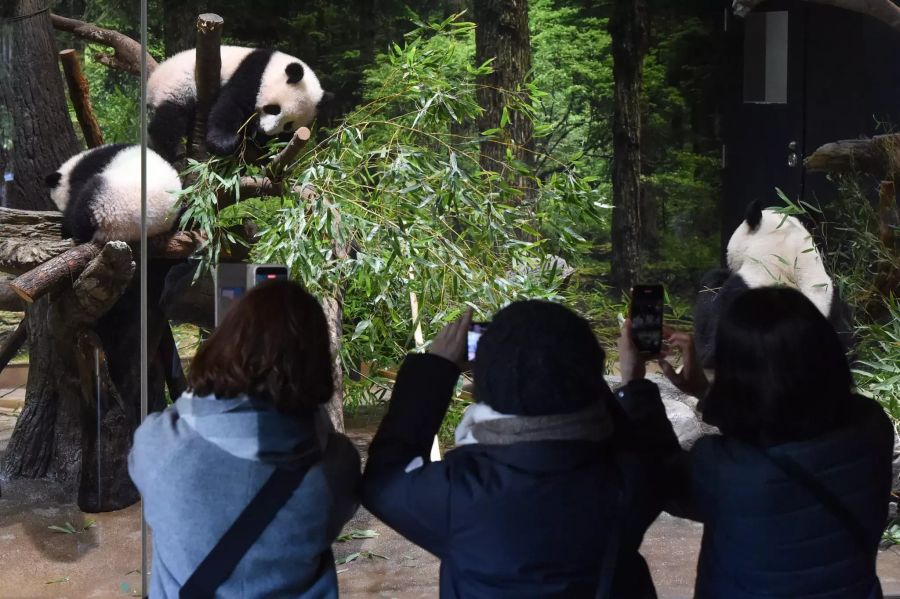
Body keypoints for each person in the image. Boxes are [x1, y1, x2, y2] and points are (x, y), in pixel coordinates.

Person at [362, 300, 680, 598]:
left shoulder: (454, 497)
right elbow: (653, 451)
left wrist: (435, 369)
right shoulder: (635, 479)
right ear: (591, 375)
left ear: (484, 385)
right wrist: (630, 380)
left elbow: (383, 477)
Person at [617, 286, 893, 599]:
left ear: (736, 374)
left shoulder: (723, 469)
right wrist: (705, 393)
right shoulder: (873, 429)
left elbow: (662, 478)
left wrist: (635, 382)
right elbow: (781, 423)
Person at [129, 280, 360, 599]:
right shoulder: (335, 464)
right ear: (316, 364)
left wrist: (204, 388)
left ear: (223, 344)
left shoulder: (161, 443)